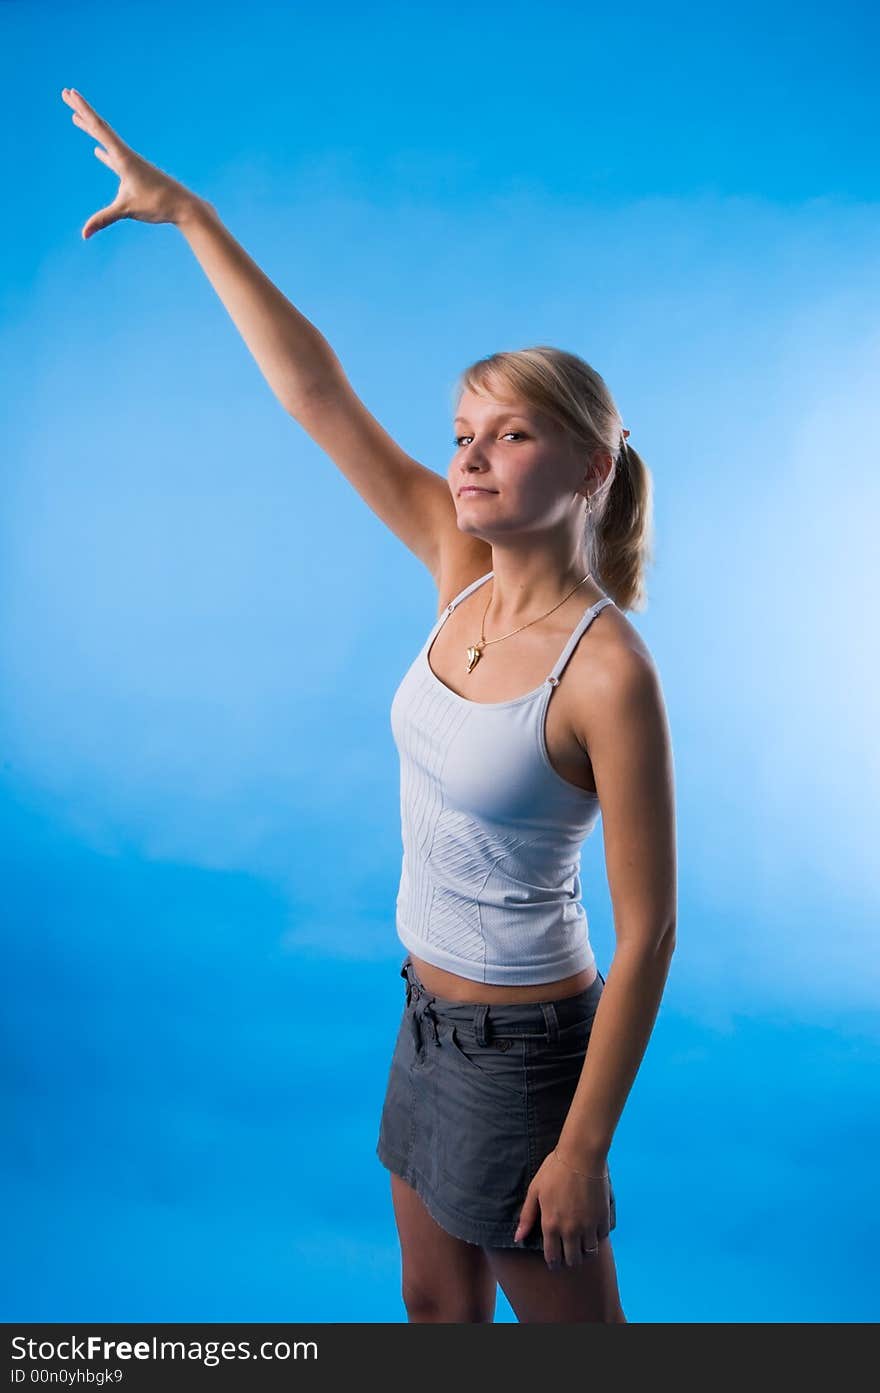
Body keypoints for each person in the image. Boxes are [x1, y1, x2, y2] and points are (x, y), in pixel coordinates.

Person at [61, 87, 677, 1324]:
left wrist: (583, 1145)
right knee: (433, 1309)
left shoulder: (607, 671)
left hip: (524, 1055)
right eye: (463, 431)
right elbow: (315, 396)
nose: (468, 455)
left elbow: (648, 928)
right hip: (424, 1020)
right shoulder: (455, 575)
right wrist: (192, 218)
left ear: (590, 469)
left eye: (508, 436)